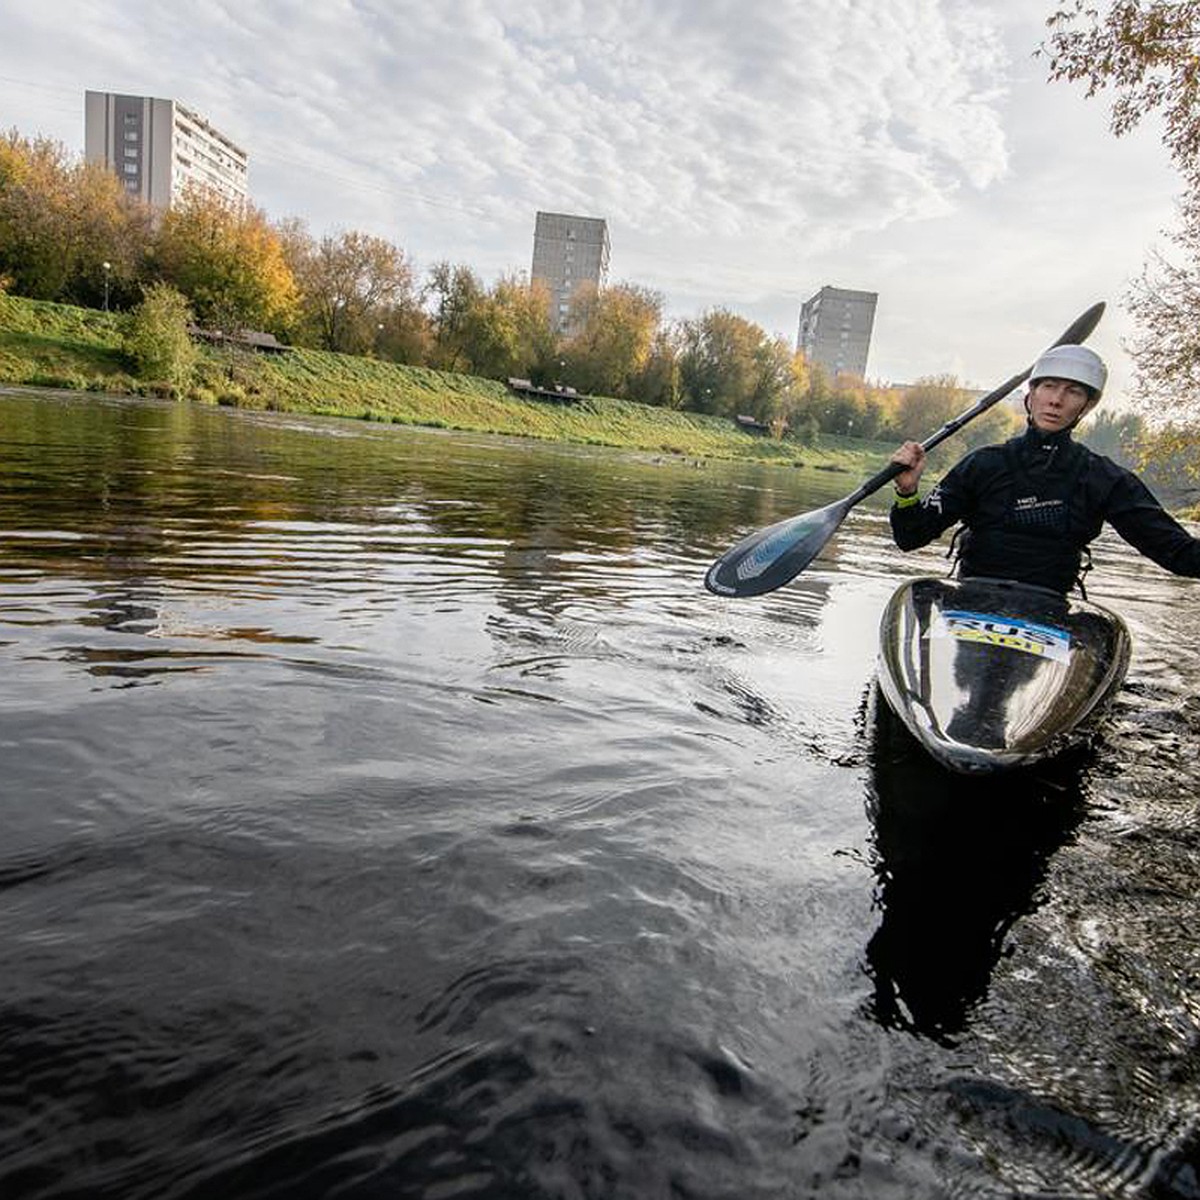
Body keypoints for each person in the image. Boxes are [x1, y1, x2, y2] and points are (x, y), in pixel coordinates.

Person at [889, 344, 1200, 594]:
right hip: (971, 597)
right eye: (1049, 387)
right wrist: (907, 491)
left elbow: (1179, 554)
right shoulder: (983, 464)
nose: (1057, 400)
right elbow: (910, 536)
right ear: (1031, 394)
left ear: (1086, 406)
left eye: (1073, 392)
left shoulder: (1104, 479)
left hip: (1050, 611)